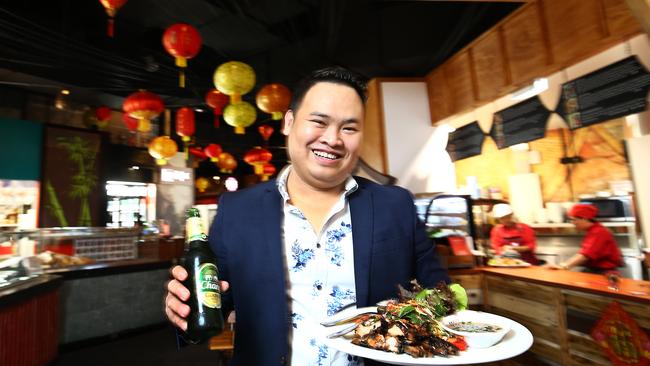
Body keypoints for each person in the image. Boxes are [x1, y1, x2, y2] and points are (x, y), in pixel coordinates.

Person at [165, 66, 450, 365]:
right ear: (289, 122)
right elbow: (213, 299)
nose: (333, 139)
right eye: (318, 121)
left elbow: (438, 292)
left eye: (349, 128)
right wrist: (183, 309)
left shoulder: (396, 205)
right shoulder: (236, 210)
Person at [546, 203, 622, 274]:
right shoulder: (594, 230)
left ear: (584, 218)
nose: (572, 223)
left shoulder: (599, 232)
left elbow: (585, 255)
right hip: (596, 269)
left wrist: (563, 266)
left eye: (574, 219)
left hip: (604, 273)